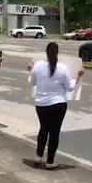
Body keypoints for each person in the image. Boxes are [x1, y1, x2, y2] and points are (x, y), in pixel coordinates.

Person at [27, 42, 84, 170]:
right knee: (54, 132)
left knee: (43, 129)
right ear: (57, 53)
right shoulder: (63, 68)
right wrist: (78, 76)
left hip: (41, 104)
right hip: (58, 104)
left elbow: (32, 82)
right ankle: (50, 162)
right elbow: (69, 88)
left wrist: (30, 70)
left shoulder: (38, 66)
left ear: (46, 52)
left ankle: (38, 156)